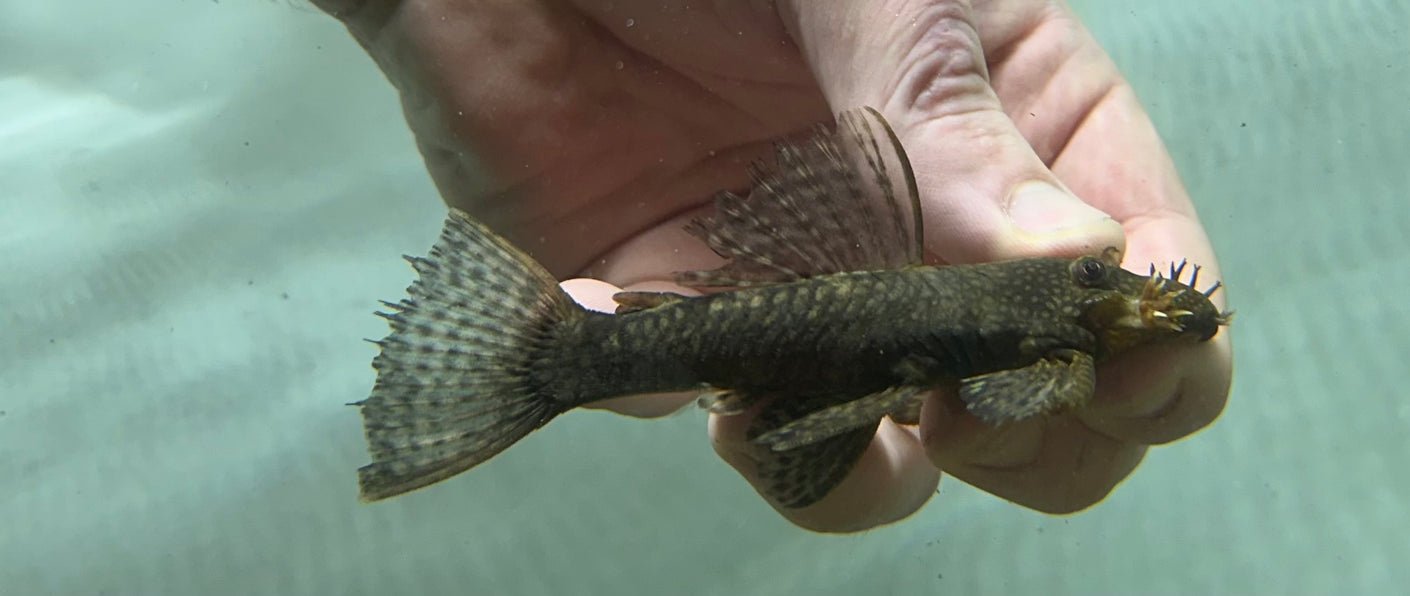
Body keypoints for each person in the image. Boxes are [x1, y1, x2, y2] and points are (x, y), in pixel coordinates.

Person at [310, 0, 1234, 533]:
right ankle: (558, 360)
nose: (1127, 288)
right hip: (839, 328)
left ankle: (562, 359)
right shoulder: (1067, 337)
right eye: (1099, 281)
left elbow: (994, 398)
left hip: (833, 318)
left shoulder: (1064, 350)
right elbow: (993, 401)